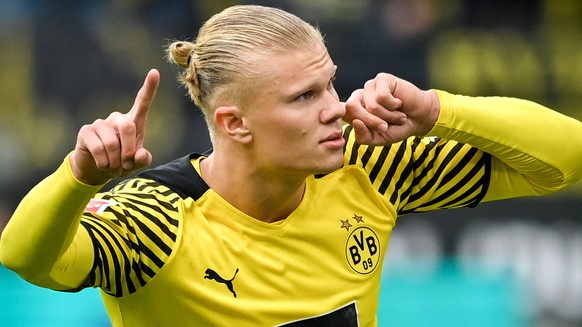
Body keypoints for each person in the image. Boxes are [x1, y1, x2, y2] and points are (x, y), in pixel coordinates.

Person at [1, 4, 582, 327]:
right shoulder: (158, 219)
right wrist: (77, 177)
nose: (335, 109)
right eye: (304, 97)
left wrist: (439, 110)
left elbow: (566, 158)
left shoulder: (369, 169)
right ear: (235, 124)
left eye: (330, 84)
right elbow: (24, 257)